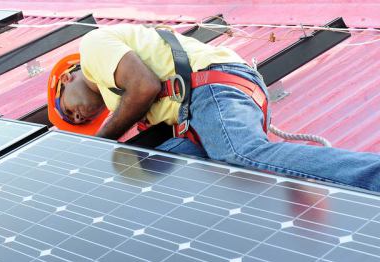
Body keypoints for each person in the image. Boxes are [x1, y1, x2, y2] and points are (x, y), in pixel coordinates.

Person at [48, 24, 380, 192]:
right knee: (183, 183)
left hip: (212, 88)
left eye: (68, 111)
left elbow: (145, 86)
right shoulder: (115, 98)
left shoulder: (92, 48)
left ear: (66, 78)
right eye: (79, 123)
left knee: (241, 156)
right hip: (197, 118)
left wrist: (94, 145)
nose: (79, 117)